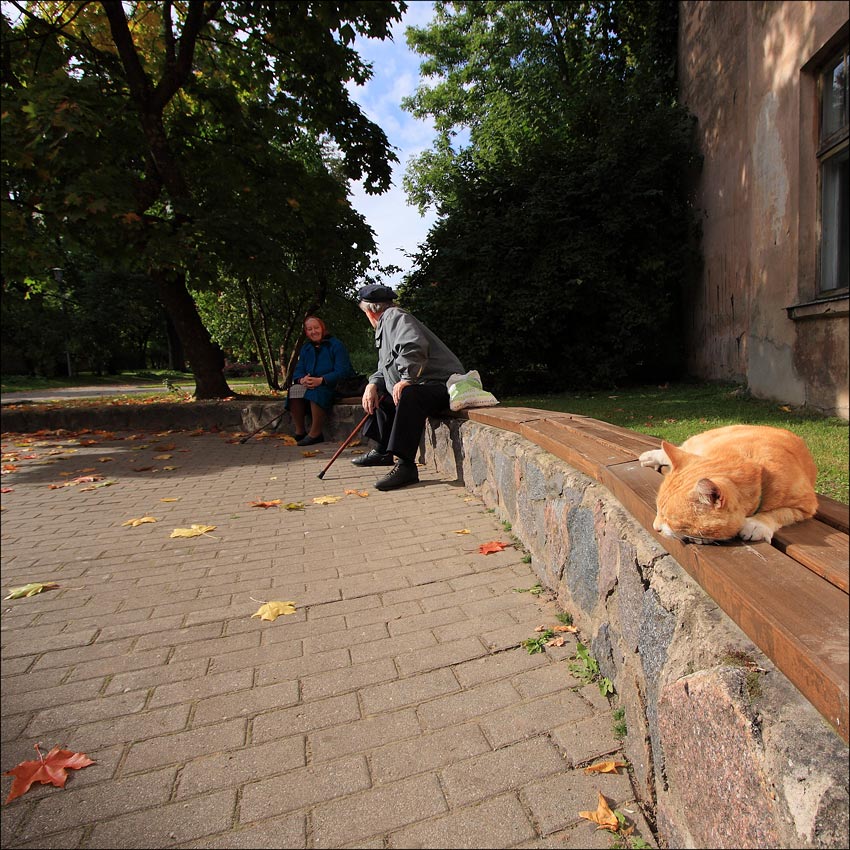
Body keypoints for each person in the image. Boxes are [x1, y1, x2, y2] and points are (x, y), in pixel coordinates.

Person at [352, 284, 465, 491]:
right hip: (426, 384)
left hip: (445, 385)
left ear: (369, 311)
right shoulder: (385, 326)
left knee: (408, 394)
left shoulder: (394, 316)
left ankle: (406, 466)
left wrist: (407, 379)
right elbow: (384, 368)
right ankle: (383, 451)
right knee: (382, 393)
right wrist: (372, 384)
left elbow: (414, 345)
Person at [286, 316, 354, 446]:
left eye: (316, 328)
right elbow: (298, 371)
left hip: (335, 384)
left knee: (317, 390)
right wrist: (302, 380)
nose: (313, 331)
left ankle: (315, 434)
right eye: (309, 329)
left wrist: (322, 380)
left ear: (322, 328)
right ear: (306, 332)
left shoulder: (336, 345)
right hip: (312, 383)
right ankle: (300, 432)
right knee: (294, 390)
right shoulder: (306, 348)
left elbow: (343, 371)